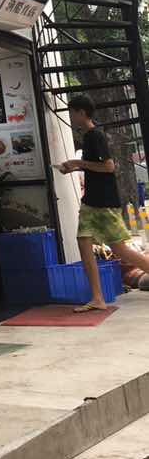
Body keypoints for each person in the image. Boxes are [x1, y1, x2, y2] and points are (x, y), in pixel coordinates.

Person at [58, 95, 149, 311]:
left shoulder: (95, 136)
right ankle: (97, 298)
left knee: (119, 249)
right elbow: (95, 167)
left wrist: (78, 162)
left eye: (72, 112)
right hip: (92, 202)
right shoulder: (90, 136)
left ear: (81, 112)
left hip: (103, 203)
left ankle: (98, 298)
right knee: (85, 243)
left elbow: (108, 167)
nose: (71, 117)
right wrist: (74, 167)